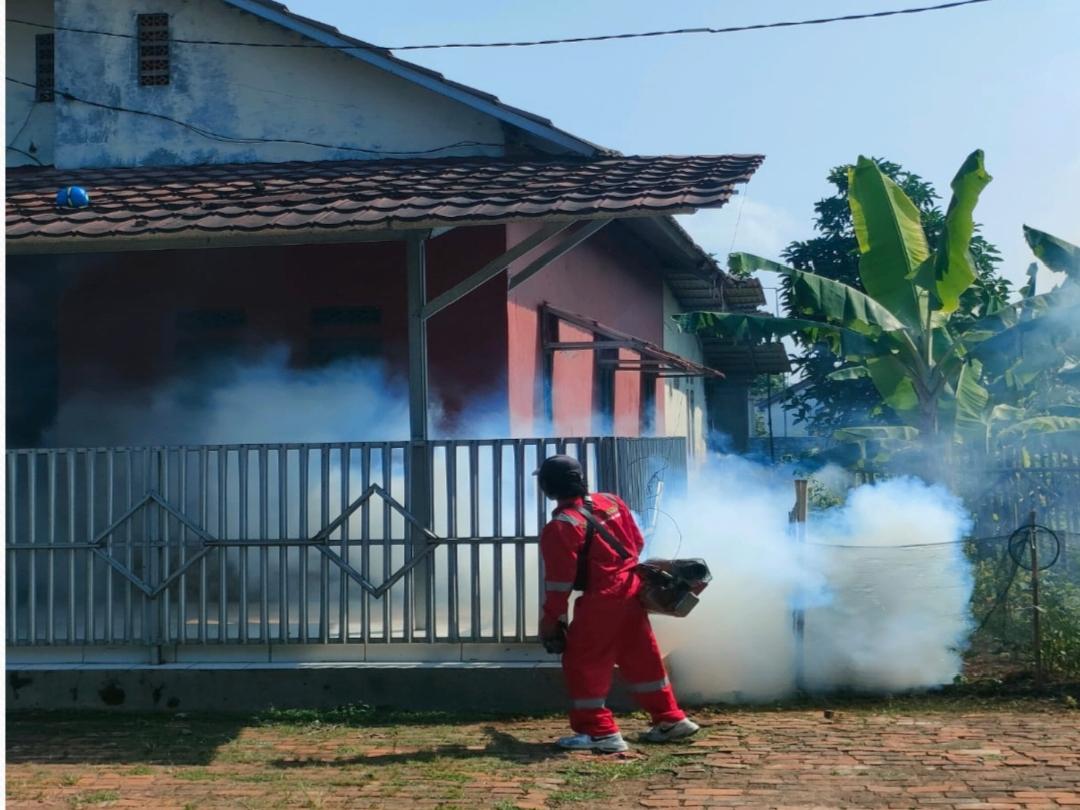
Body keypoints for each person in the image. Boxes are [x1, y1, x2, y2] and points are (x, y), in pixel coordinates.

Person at [535, 454, 699, 753]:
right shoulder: (610, 501)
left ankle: (600, 732)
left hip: (602, 600)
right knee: (643, 659)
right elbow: (636, 543)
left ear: (547, 486)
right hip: (630, 590)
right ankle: (670, 719)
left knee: (583, 662)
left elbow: (559, 584)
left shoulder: (561, 526)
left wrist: (550, 621)